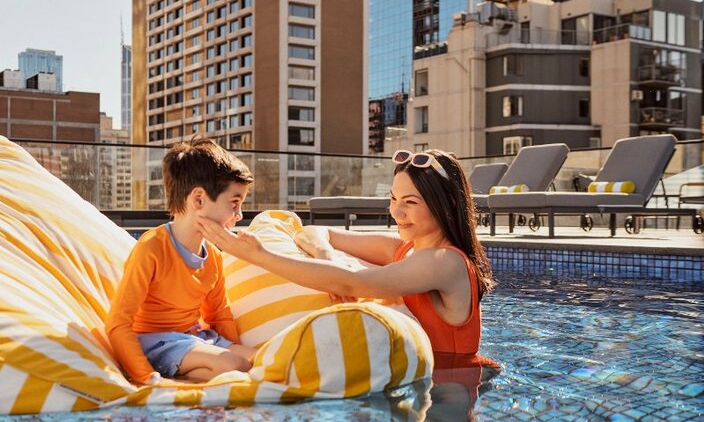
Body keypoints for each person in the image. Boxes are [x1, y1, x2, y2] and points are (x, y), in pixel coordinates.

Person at [197, 148, 499, 370]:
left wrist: (259, 256)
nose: (397, 212)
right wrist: (327, 253)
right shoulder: (406, 249)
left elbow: (352, 283)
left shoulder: (444, 262)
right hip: (410, 374)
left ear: (445, 204)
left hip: (450, 387)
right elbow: (313, 232)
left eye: (410, 202)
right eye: (393, 199)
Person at [106, 137, 257, 385]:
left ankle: (190, 381)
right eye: (234, 203)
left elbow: (220, 316)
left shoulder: (214, 256)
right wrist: (147, 378)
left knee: (262, 360)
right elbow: (118, 323)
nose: (239, 215)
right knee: (232, 365)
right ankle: (186, 378)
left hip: (196, 340)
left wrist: (237, 351)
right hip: (156, 343)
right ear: (198, 200)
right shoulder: (151, 247)